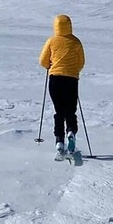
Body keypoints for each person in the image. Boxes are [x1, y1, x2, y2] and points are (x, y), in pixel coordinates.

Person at [39, 14, 85, 157]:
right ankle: (71, 131)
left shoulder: (51, 41)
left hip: (55, 79)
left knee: (59, 111)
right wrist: (73, 71)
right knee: (70, 110)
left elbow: (43, 61)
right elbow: (81, 62)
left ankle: (59, 141)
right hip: (71, 80)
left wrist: (50, 65)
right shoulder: (76, 42)